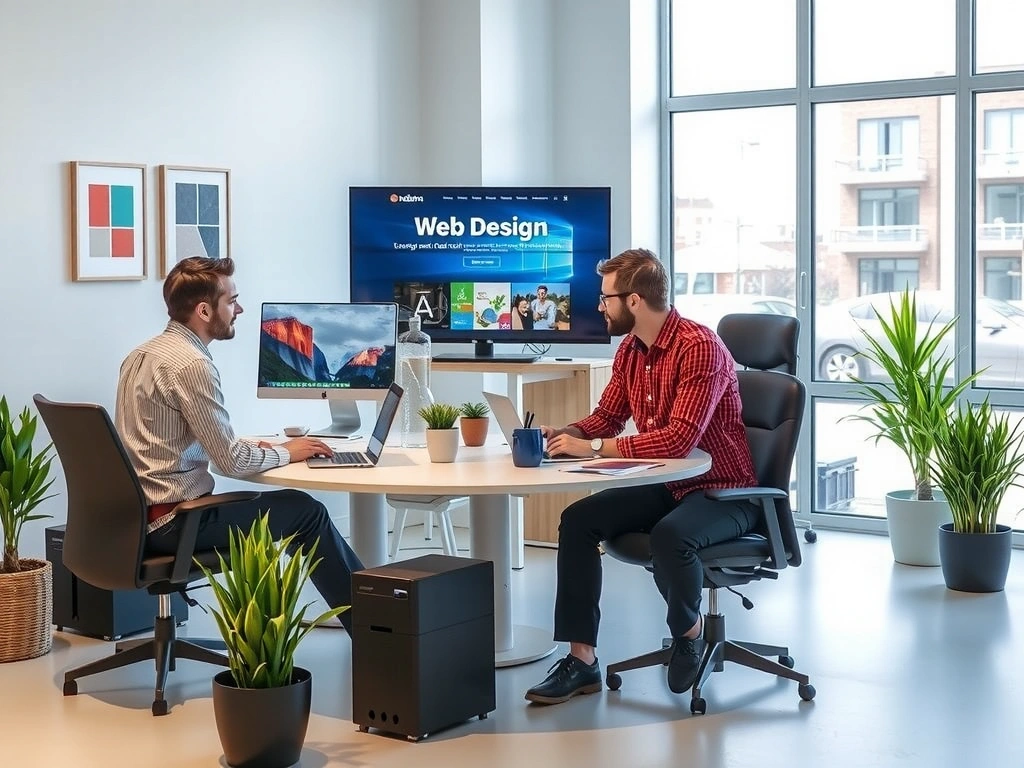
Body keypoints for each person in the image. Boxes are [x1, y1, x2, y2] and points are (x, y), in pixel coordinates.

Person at [524, 248, 759, 705]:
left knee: (672, 537)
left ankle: (688, 633)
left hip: (727, 493)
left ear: (633, 301)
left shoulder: (700, 348)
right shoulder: (632, 350)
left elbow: (677, 441)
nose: (598, 305)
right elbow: (607, 417)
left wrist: (590, 449)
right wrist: (566, 433)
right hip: (670, 484)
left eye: (605, 296)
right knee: (578, 520)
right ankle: (582, 660)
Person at [115, 256, 364, 633]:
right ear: (203, 310)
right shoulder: (191, 364)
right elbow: (229, 462)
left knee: (294, 507)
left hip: (138, 519)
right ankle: (377, 632)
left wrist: (251, 444)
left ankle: (373, 625)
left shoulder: (143, 354)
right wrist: (288, 451)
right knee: (305, 511)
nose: (240, 309)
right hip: (177, 523)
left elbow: (174, 437)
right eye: (231, 300)